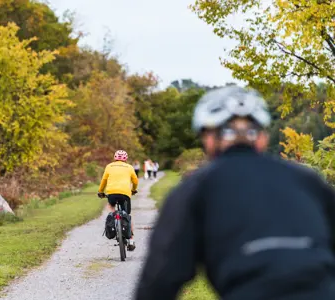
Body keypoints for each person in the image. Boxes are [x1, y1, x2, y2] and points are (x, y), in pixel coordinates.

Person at [135, 86, 335, 300]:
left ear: (209, 139)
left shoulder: (196, 188)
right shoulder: (307, 180)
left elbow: (160, 277)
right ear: (262, 138)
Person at [98, 150, 138, 251]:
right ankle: (131, 240)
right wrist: (133, 190)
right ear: (126, 158)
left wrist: (100, 191)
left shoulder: (109, 166)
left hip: (112, 193)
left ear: (115, 157)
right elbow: (135, 181)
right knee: (127, 216)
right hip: (125, 194)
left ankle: (114, 216)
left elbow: (104, 180)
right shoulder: (129, 167)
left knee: (110, 206)